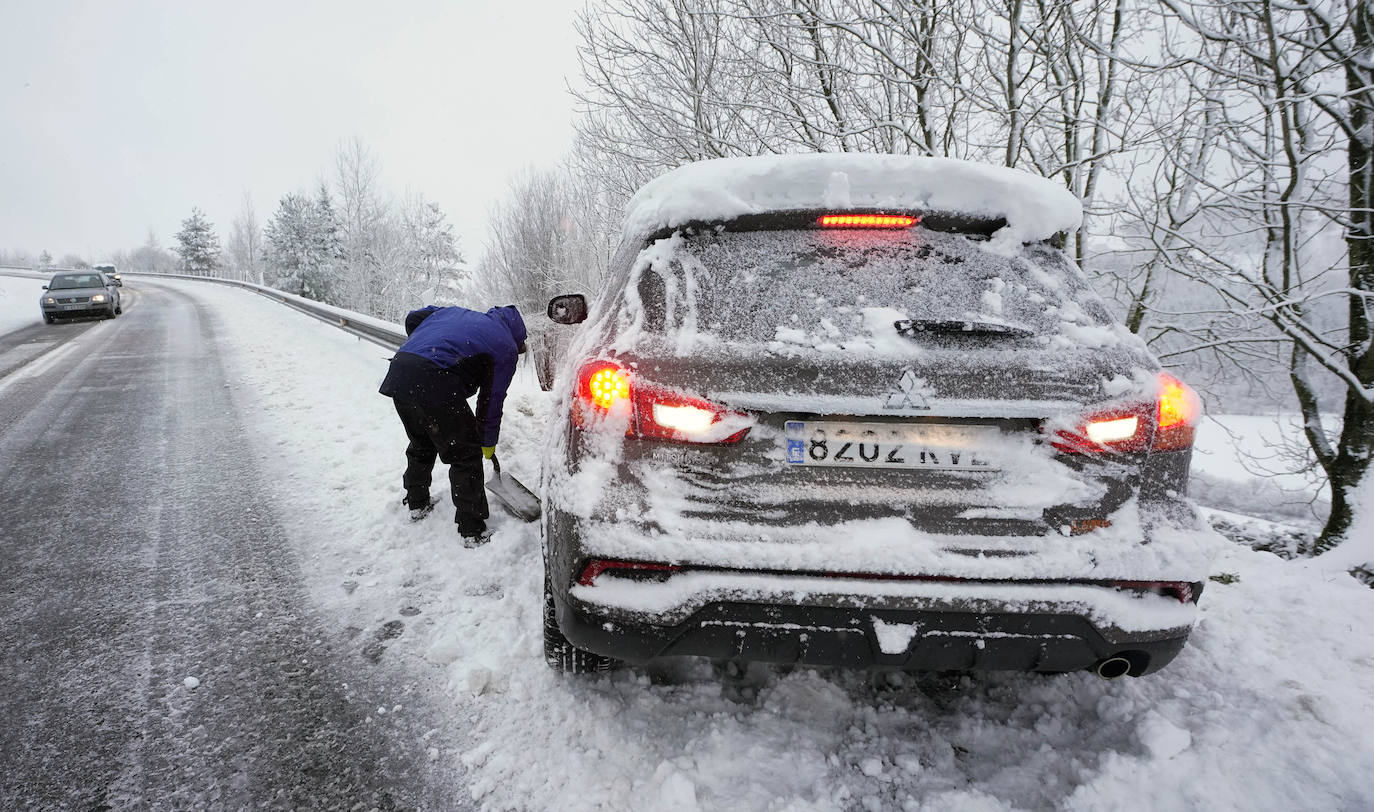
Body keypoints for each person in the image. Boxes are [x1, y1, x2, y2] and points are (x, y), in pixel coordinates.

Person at [379, 304, 527, 547]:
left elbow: (413, 317)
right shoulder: (505, 346)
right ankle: (471, 529)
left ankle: (417, 502)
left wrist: (425, 341)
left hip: (401, 371)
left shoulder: (454, 313)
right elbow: (491, 402)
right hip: (436, 379)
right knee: (465, 453)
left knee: (422, 441)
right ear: (517, 336)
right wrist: (487, 443)